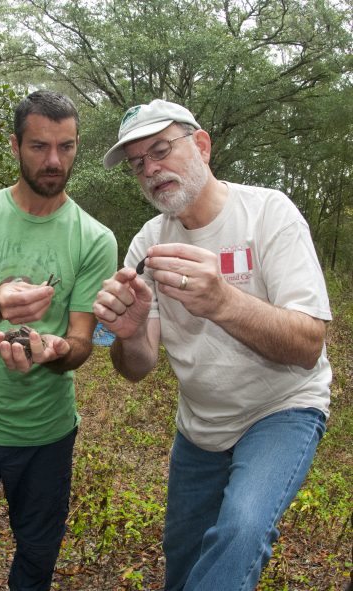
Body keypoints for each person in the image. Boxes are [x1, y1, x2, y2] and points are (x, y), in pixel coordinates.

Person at [94, 99, 332, 591]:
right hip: (200, 425)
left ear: (200, 145)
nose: (151, 169)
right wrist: (131, 331)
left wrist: (222, 299)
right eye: (139, 164)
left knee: (240, 530)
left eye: (160, 150)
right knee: (182, 557)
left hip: (281, 408)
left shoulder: (269, 213)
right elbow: (136, 368)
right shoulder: (147, 244)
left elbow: (308, 344)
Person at [0, 90, 117, 591]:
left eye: (66, 147)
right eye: (39, 146)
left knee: (38, 548)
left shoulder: (95, 238)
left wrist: (54, 351)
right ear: (15, 146)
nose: (53, 161)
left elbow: (79, 342)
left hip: (45, 434)